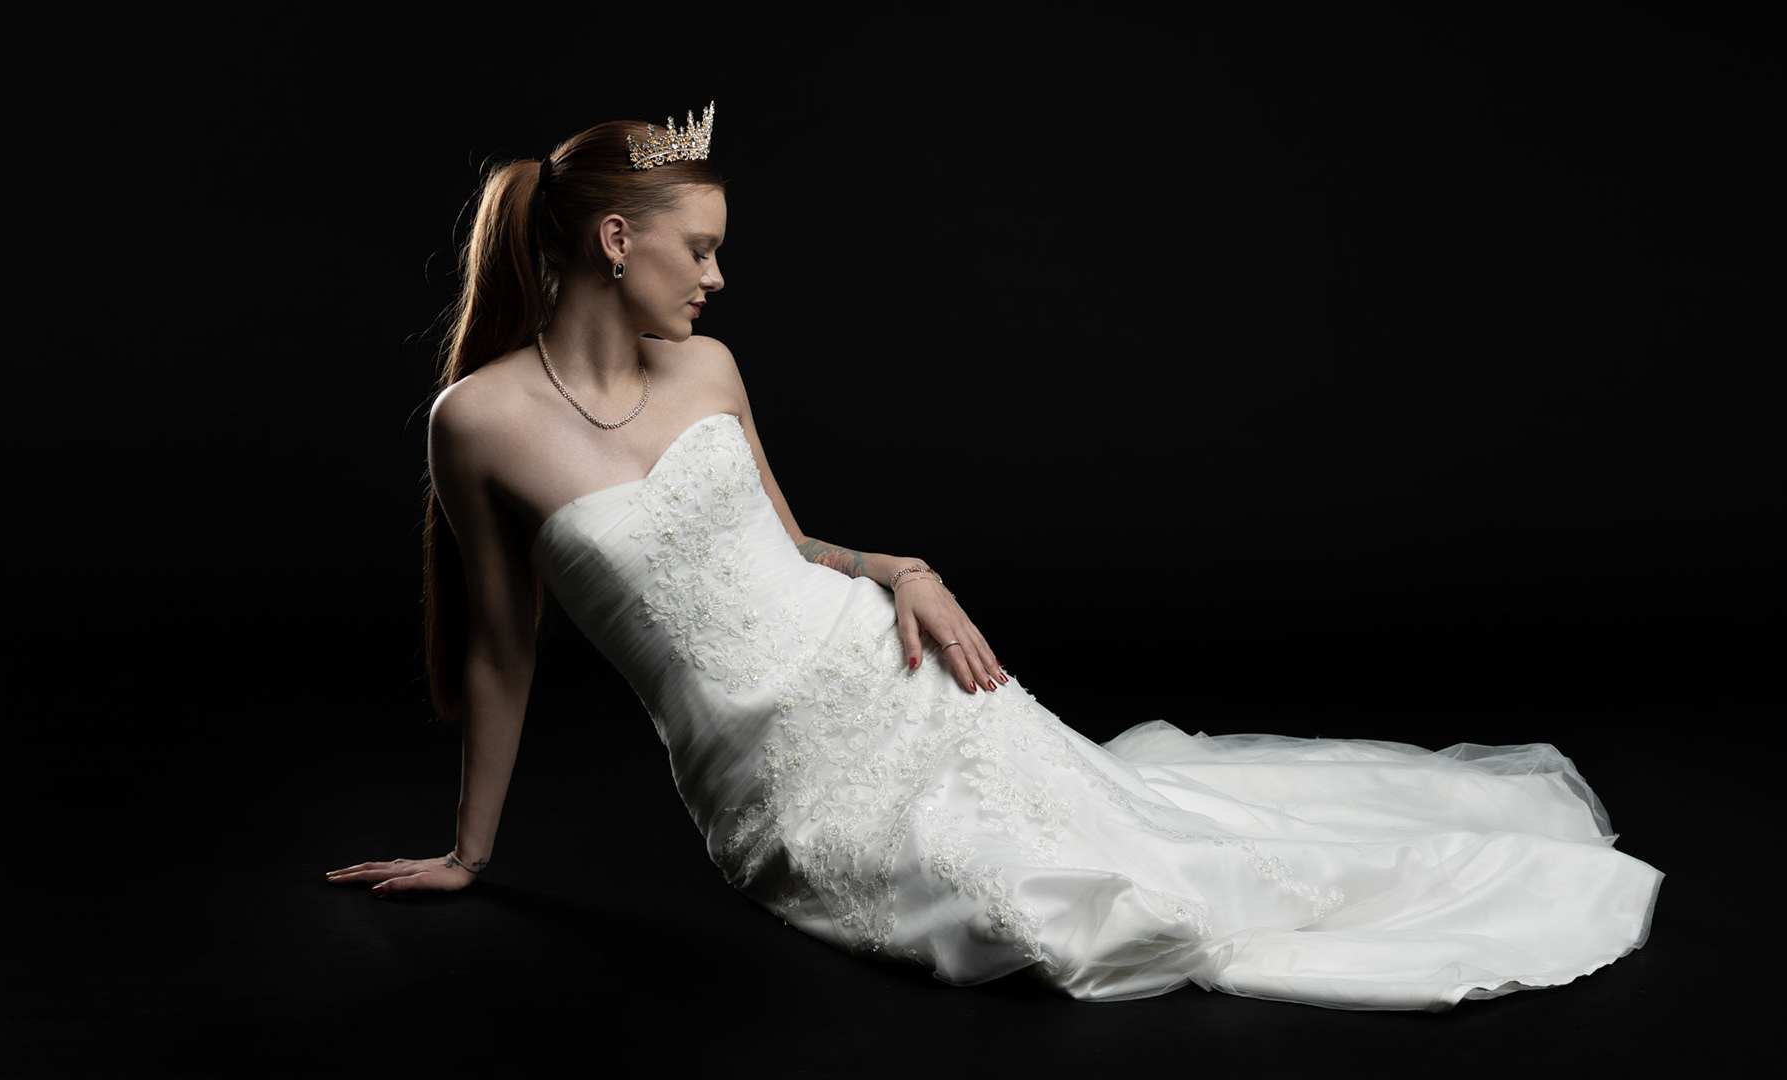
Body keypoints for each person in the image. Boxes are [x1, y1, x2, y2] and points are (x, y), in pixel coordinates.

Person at [329, 105, 1662, 1010]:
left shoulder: (712, 367)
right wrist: (470, 855)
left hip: (897, 672)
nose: (718, 280)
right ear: (615, 242)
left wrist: (899, 567)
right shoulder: (479, 423)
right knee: (1042, 921)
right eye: (701, 249)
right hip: (775, 786)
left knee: (1147, 866)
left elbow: (789, 547)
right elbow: (504, 647)